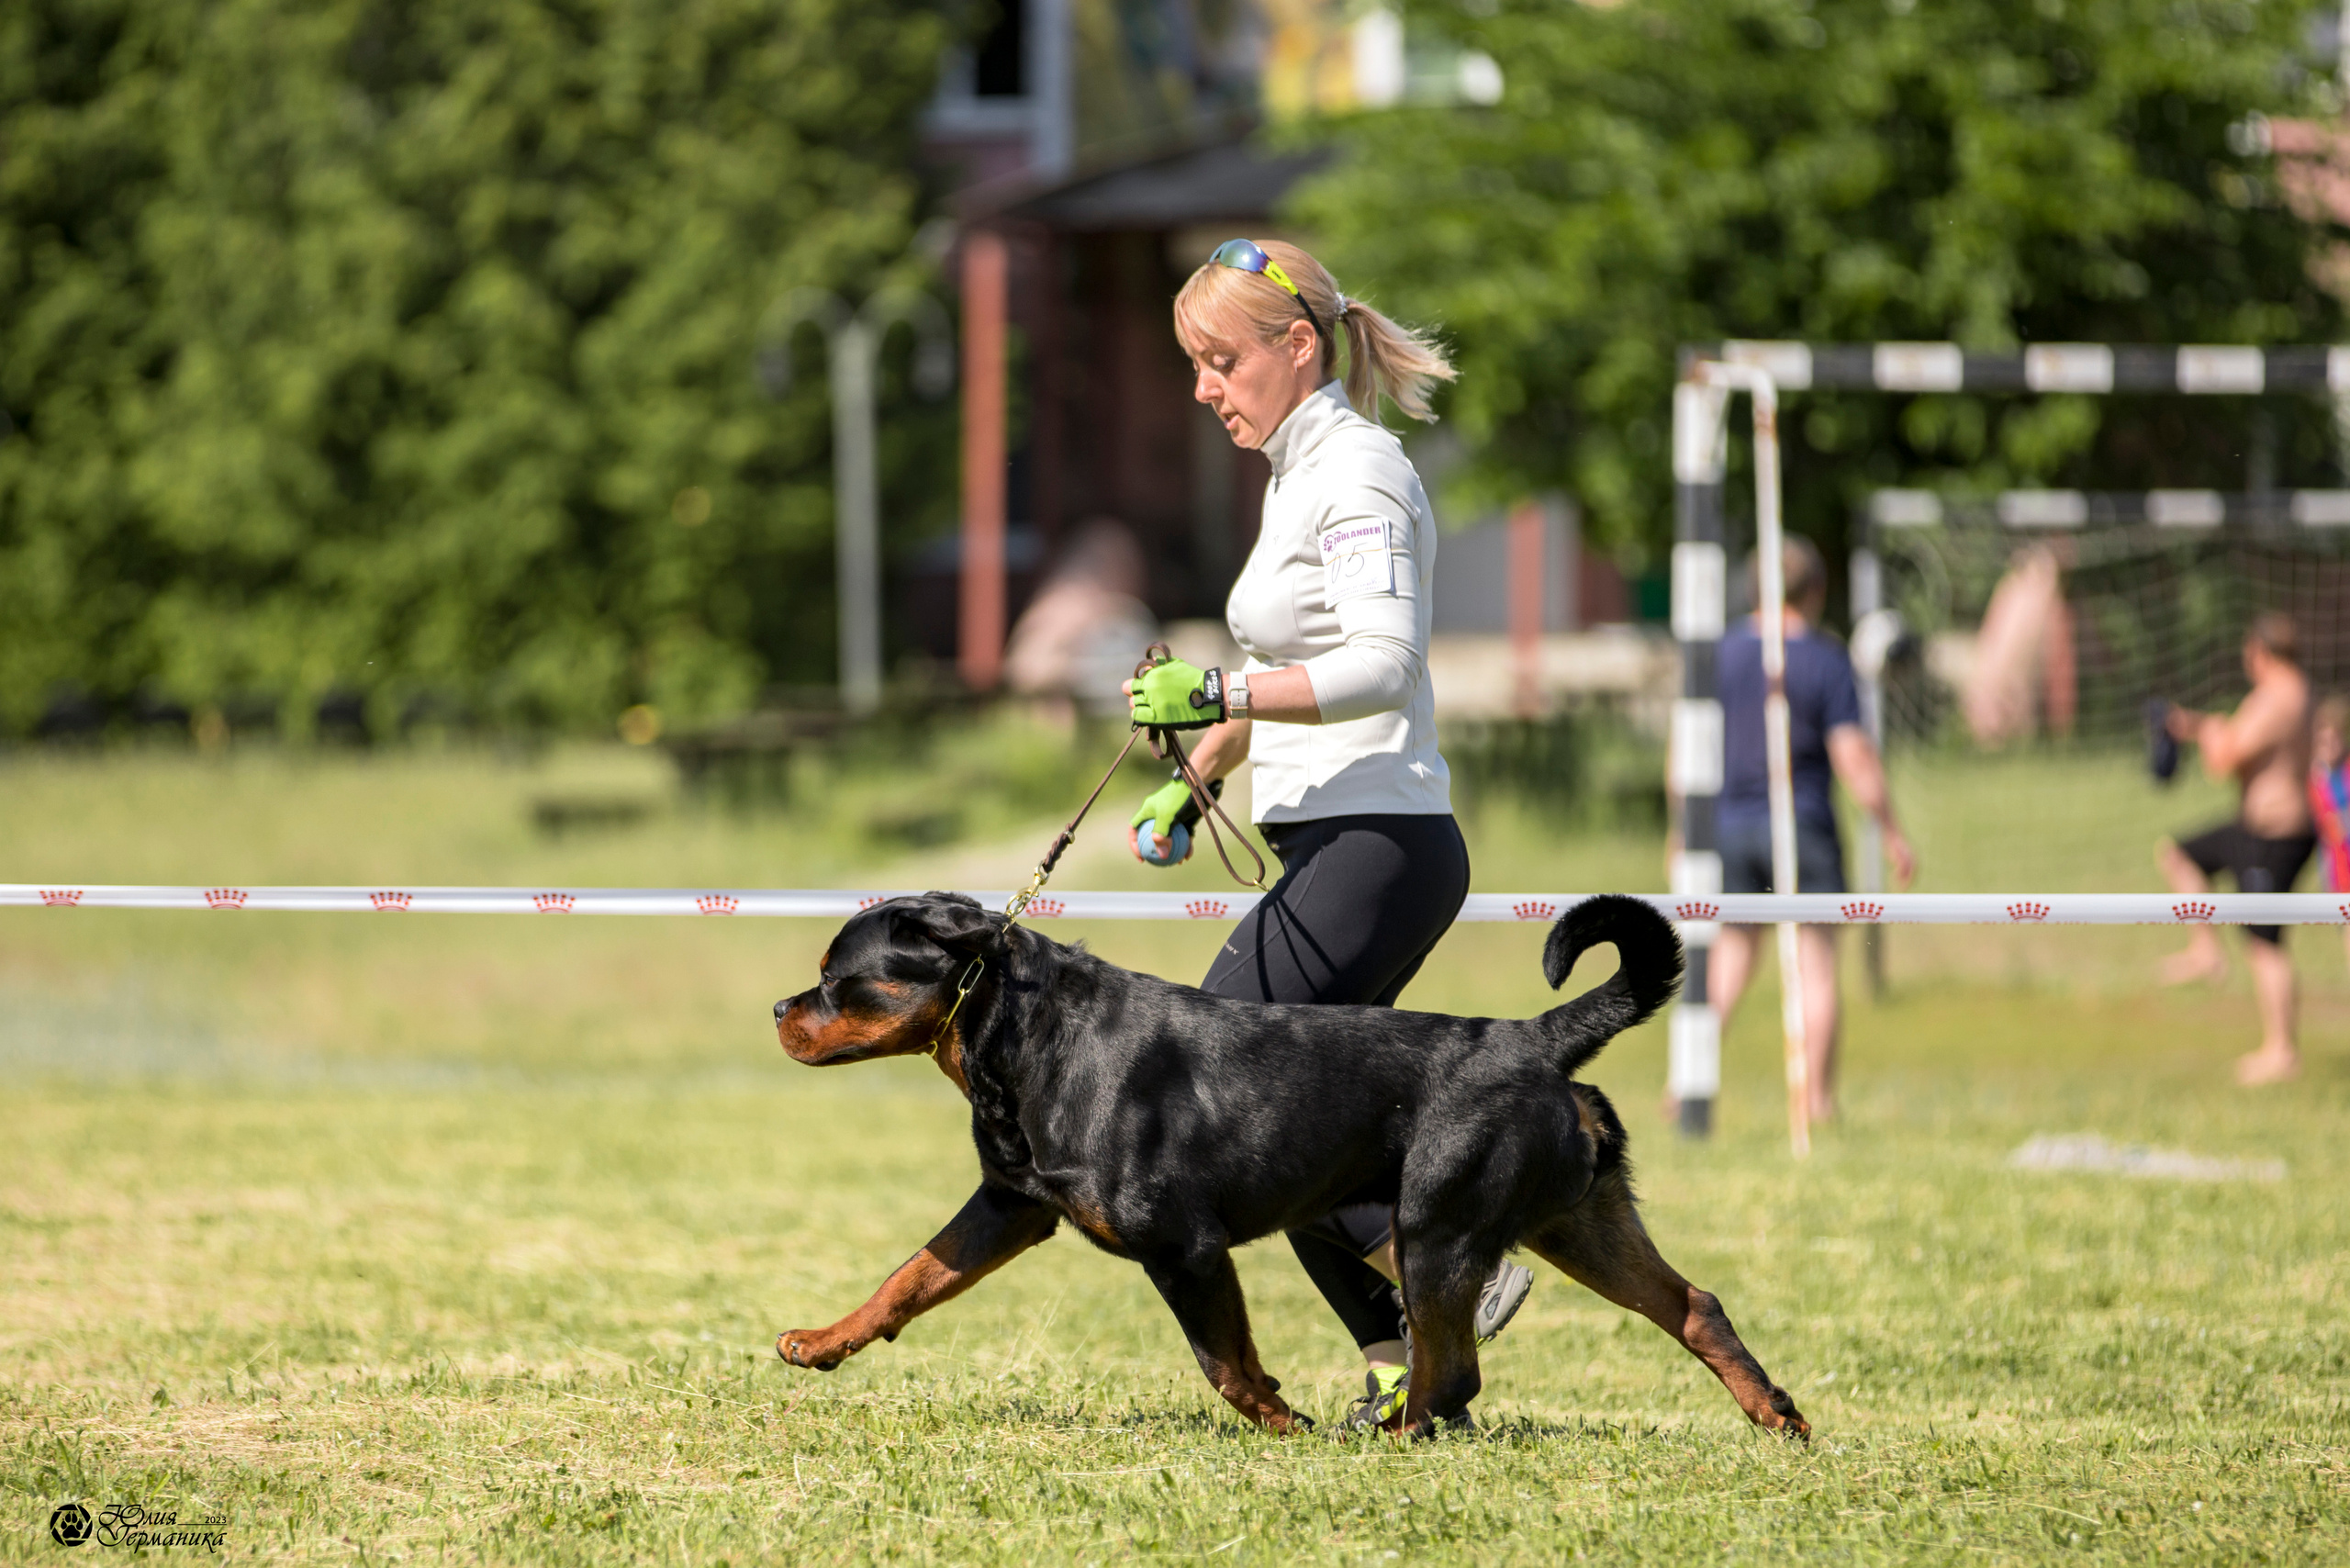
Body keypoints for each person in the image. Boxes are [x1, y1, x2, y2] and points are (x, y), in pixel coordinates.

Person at [1118, 238, 1528, 1431]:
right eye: (1195, 363)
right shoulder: (1296, 471)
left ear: (1297, 346)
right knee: (1281, 1126)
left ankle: (1458, 1268)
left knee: (1225, 1094)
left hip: (1379, 845)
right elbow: (1285, 665)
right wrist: (1195, 781)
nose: (1204, 388)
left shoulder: (1358, 474)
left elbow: (1382, 667)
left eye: (1220, 361)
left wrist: (1219, 697)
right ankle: (1414, 1377)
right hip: (1337, 843)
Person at [1702, 537, 1916, 1126]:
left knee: (1731, 957)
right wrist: (1892, 829)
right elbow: (1853, 756)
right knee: (1817, 967)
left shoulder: (1719, 653)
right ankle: (1817, 1103)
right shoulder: (1825, 659)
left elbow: (1687, 746)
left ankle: (1688, 1082)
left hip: (1733, 827)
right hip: (1803, 826)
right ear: (1816, 592)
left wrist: (1681, 829)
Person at [2157, 613, 2317, 1085]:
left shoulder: (2278, 697)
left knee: (2265, 944)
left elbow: (2225, 759)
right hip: (2255, 829)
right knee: (2179, 855)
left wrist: (2207, 734)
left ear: (2260, 652)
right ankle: (2204, 949)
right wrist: (2200, 725)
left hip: (2275, 835)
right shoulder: (2296, 691)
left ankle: (2282, 1052)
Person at [2311, 694, 2350, 975]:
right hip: (2338, 879)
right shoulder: (2314, 781)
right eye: (2323, 741)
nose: (2329, 747)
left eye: (2334, 739)